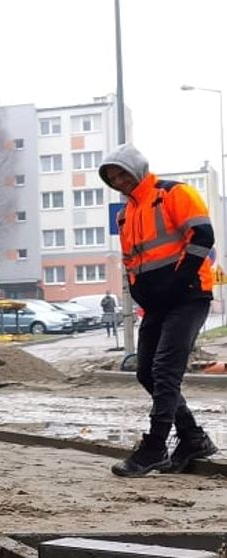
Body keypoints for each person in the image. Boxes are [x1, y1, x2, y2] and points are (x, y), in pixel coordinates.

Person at [99, 143, 218, 477]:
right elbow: (132, 262)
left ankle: (154, 447)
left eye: (122, 172)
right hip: (157, 304)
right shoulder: (125, 214)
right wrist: (140, 293)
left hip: (189, 296)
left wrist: (178, 283)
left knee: (165, 371)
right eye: (112, 177)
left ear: (137, 168)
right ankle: (193, 438)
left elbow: (203, 236)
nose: (119, 180)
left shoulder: (173, 194)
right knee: (146, 372)